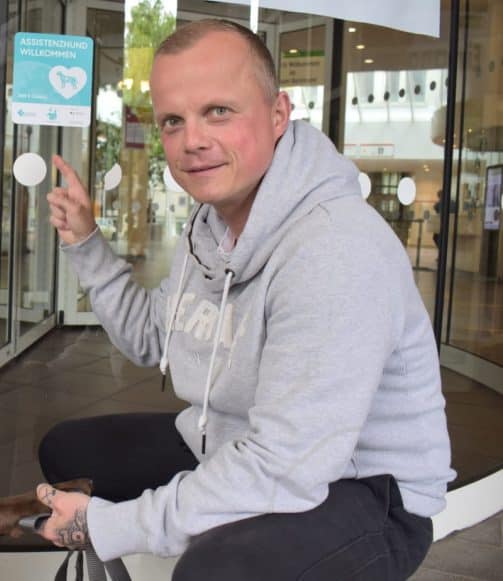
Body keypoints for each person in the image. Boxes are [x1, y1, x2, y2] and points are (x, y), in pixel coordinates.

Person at [35, 19, 455, 580]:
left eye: (219, 112)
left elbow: (288, 465)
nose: (193, 141)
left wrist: (112, 523)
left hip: (365, 490)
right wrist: (87, 243)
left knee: (218, 571)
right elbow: (150, 338)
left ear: (278, 114)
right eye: (173, 122)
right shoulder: (211, 228)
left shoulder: (334, 248)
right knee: (70, 452)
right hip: (238, 445)